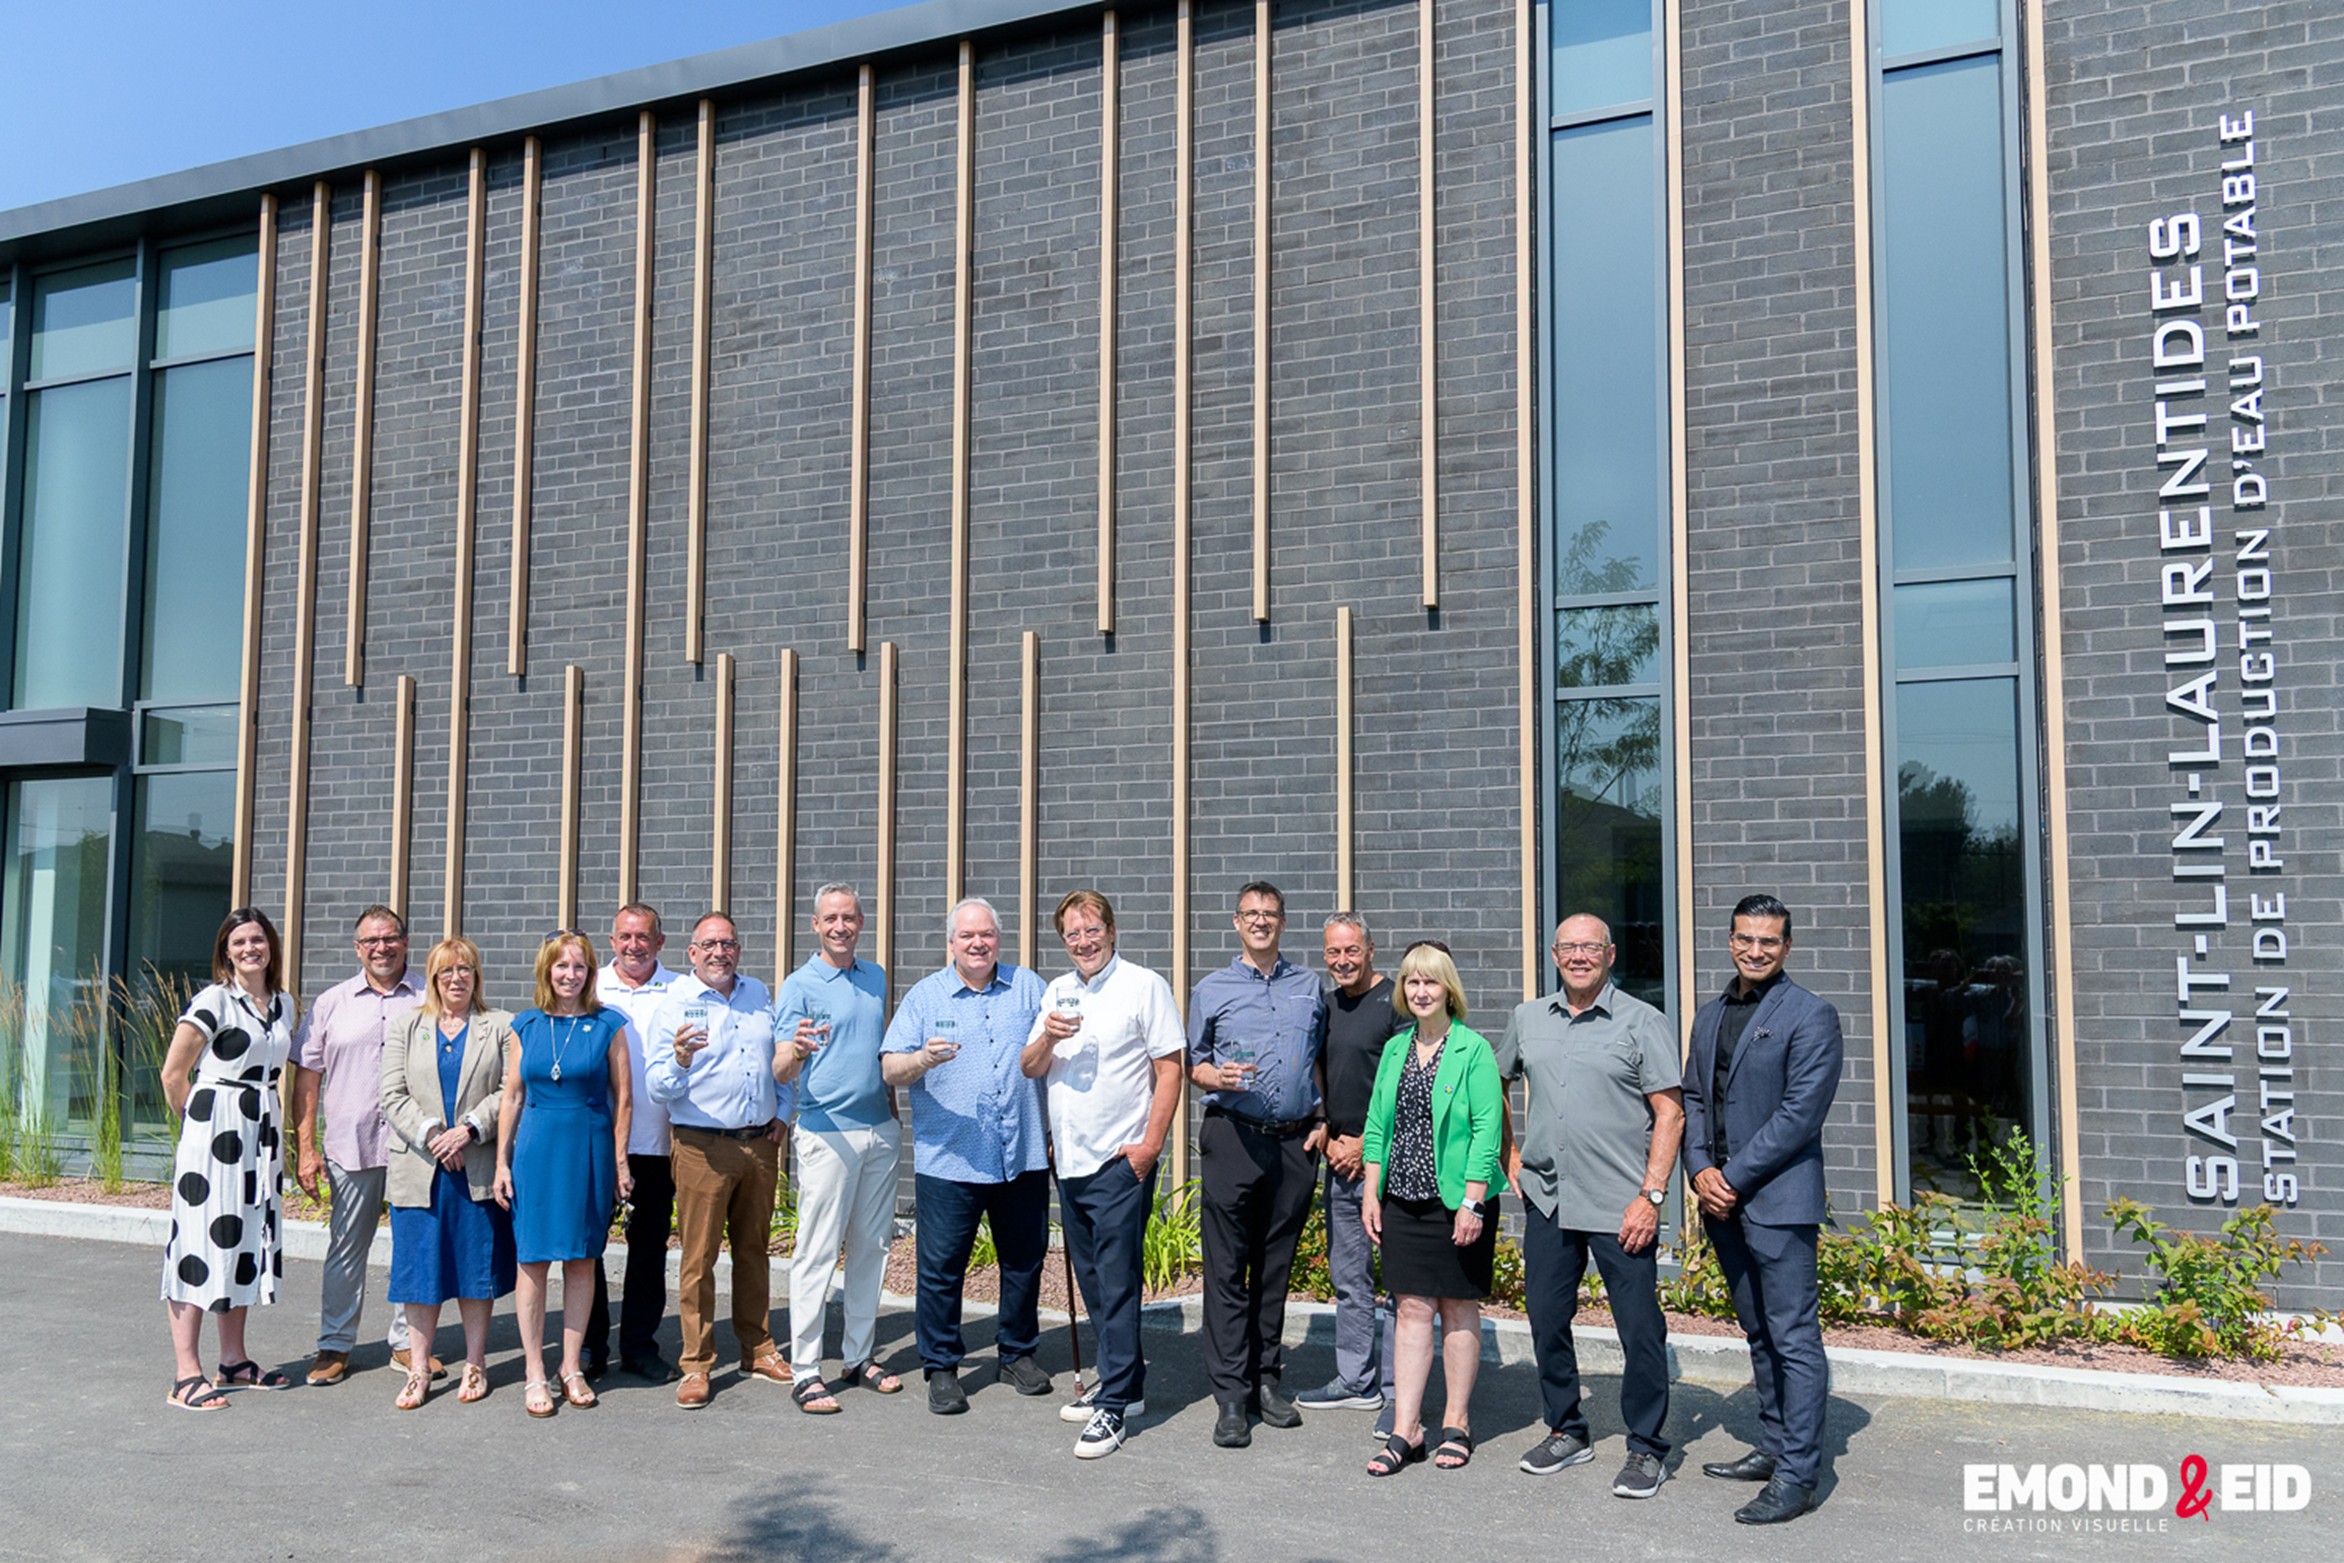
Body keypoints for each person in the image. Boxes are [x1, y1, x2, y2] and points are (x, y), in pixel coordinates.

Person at [1497, 915, 1683, 1499]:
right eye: (1569, 947)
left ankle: (1646, 1448)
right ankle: (1567, 1430)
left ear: (1609, 954)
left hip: (1620, 1205)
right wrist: (1511, 1160)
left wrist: (1651, 1197)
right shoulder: (1528, 1019)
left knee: (1639, 1329)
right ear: (1554, 954)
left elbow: (1670, 1113)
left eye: (1590, 947)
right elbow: (1492, 1085)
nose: (1579, 956)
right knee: (1547, 1319)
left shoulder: (1642, 1021)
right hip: (1548, 1199)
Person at [1682, 893, 1846, 1525]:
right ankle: (1775, 1446)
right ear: (1730, 941)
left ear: (1787, 947)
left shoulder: (1812, 1015)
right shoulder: (1708, 1014)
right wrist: (1699, 1169)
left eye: (1769, 941)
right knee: (1758, 1330)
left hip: (1777, 1201)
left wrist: (1732, 1176)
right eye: (1745, 939)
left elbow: (1799, 1115)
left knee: (1794, 1337)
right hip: (1721, 1202)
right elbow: (1695, 1098)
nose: (1756, 950)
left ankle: (1799, 1477)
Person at [1019, 890, 1183, 1459]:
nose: (1083, 942)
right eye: (1072, 934)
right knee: (1092, 1280)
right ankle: (1127, 1384)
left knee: (1115, 1282)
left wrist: (1148, 1148)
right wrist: (1047, 1037)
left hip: (1120, 1161)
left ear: (1112, 931)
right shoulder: (1057, 991)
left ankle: (1112, 1407)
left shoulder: (1144, 985)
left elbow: (1169, 1070)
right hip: (1071, 1159)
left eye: (1092, 930)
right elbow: (1029, 1066)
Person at [881, 897, 1052, 1416]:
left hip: (1019, 1153)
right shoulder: (925, 996)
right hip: (950, 1158)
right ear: (951, 942)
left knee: (1023, 1261)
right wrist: (922, 1059)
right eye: (967, 936)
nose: (978, 943)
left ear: (999, 939)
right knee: (941, 1268)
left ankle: (1017, 1353)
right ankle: (941, 1366)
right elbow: (891, 1069)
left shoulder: (1030, 988)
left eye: (988, 935)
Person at [1186, 880, 1328, 1448]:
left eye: (1270, 914)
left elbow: (1320, 1059)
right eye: (1251, 914)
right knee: (1226, 1271)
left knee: (1274, 1271)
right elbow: (1192, 1061)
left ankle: (1266, 1381)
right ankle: (1229, 1397)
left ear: (1283, 923)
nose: (1261, 922)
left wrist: (1323, 1115)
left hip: (1294, 1145)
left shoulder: (1308, 985)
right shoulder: (1212, 988)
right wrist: (1212, 1077)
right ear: (1237, 922)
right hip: (1233, 1139)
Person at [1359, 941, 1506, 1477]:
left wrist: (1471, 1201)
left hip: (1458, 1201)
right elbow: (1377, 1126)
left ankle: (1457, 1422)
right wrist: (1371, 1191)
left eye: (1431, 982)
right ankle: (1406, 1429)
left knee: (1457, 1308)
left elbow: (1489, 1130)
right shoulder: (1396, 1048)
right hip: (1403, 1198)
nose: (1421, 992)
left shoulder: (1473, 1050)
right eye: (1412, 982)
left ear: (1449, 989)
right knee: (1411, 1310)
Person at [645, 911, 792, 1410]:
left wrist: (784, 1114)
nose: (718, 953)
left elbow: (780, 1063)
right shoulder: (675, 1004)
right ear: (691, 953)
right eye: (708, 945)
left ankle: (757, 1347)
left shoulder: (758, 995)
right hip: (702, 1147)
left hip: (758, 1145)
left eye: (727, 944)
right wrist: (682, 1060)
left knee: (754, 1251)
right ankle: (697, 1363)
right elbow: (656, 1084)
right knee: (699, 1258)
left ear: (738, 949)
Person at [159, 907, 299, 1410]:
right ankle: (185, 1374)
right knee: (198, 1243)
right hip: (215, 1134)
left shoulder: (283, 1004)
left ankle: (234, 1360)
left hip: (260, 1132)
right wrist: (198, 1130)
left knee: (243, 1240)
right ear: (225, 950)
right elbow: (174, 1074)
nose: (249, 949)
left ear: (270, 946)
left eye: (257, 939)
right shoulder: (214, 1000)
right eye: (238, 942)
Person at [289, 905, 431, 1386]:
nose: (381, 948)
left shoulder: (429, 998)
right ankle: (334, 1344)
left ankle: (406, 1343)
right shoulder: (332, 1003)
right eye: (371, 941)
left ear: (405, 942)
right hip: (351, 1144)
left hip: (416, 1144)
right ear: (358, 949)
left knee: (413, 1244)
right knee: (347, 1246)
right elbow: (307, 1080)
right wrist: (306, 1148)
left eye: (389, 938)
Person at [776, 883, 903, 1413]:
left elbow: (883, 1053)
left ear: (861, 921)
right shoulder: (798, 984)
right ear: (815, 925)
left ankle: (858, 1356)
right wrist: (798, 1052)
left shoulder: (874, 977)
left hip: (879, 1130)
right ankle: (806, 1369)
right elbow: (780, 1068)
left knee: (871, 1248)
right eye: (830, 918)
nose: (840, 927)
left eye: (849, 917)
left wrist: (893, 1117)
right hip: (826, 1131)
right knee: (818, 1251)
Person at [496, 932, 634, 1418]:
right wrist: (501, 1162)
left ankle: (570, 1366)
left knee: (581, 1260)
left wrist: (620, 1162)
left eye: (579, 966)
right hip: (537, 1149)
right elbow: (511, 1096)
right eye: (561, 966)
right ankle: (535, 1369)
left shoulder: (610, 1025)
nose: (569, 974)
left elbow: (625, 1100)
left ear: (590, 973)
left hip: (589, 1147)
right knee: (532, 1261)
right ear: (546, 970)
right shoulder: (525, 1025)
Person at [380, 936, 517, 1410]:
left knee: (474, 1270)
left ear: (477, 975)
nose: (456, 978)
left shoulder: (500, 1026)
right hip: (421, 1168)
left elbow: (509, 1089)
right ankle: (418, 1367)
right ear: (433, 979)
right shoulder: (407, 1026)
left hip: (475, 1166)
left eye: (465, 970)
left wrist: (468, 1130)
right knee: (420, 1273)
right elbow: (392, 1092)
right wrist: (435, 1134)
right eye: (446, 972)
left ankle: (475, 1363)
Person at [1294, 912, 1405, 1428]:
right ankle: (1356, 1381)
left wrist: (1366, 1144)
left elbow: (1410, 1082)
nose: (1342, 961)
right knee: (1350, 1279)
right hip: (1340, 1161)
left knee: (1402, 1284)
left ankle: (1398, 1393)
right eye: (1333, 953)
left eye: (1351, 951)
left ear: (1371, 949)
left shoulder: (1397, 1003)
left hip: (1394, 1164)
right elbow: (1316, 1065)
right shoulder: (1328, 1004)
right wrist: (1328, 1127)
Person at [584, 902, 682, 1381]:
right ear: (612, 941)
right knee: (588, 1248)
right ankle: (590, 1345)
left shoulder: (683, 989)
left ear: (660, 942)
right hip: (599, 1141)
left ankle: (640, 1345)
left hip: (659, 1144)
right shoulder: (591, 986)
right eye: (625, 937)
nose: (634, 945)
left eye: (643, 937)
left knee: (649, 1251)